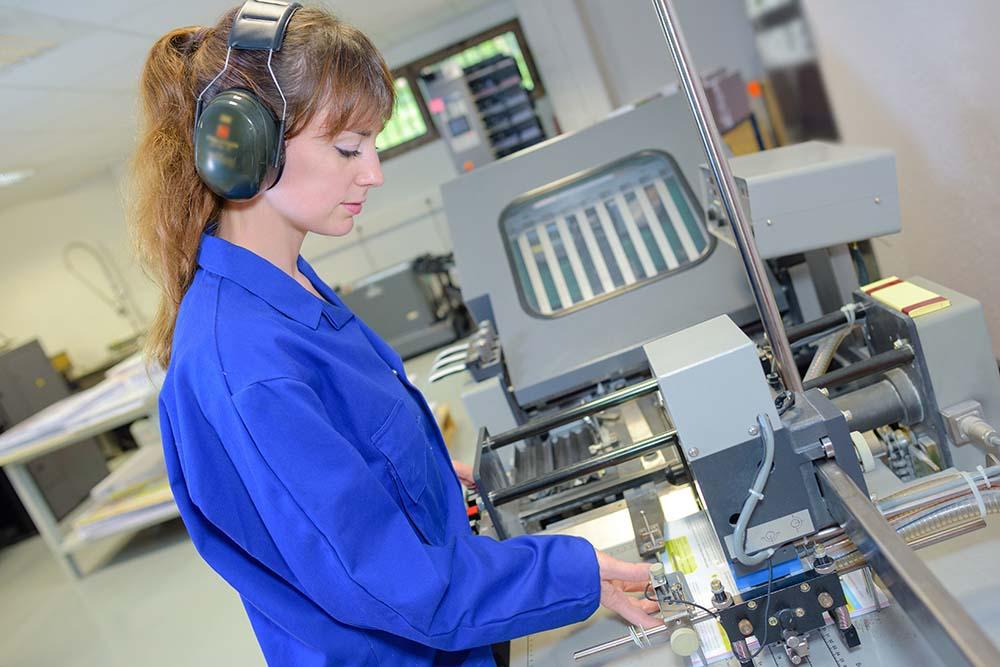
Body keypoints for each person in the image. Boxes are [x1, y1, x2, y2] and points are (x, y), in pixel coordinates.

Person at [129, 2, 660, 664]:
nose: (373, 172)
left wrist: (426, 472)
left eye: (374, 144)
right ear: (244, 146)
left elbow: (346, 465)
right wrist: (572, 573)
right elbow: (389, 583)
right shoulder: (247, 363)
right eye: (349, 147)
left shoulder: (287, 282)